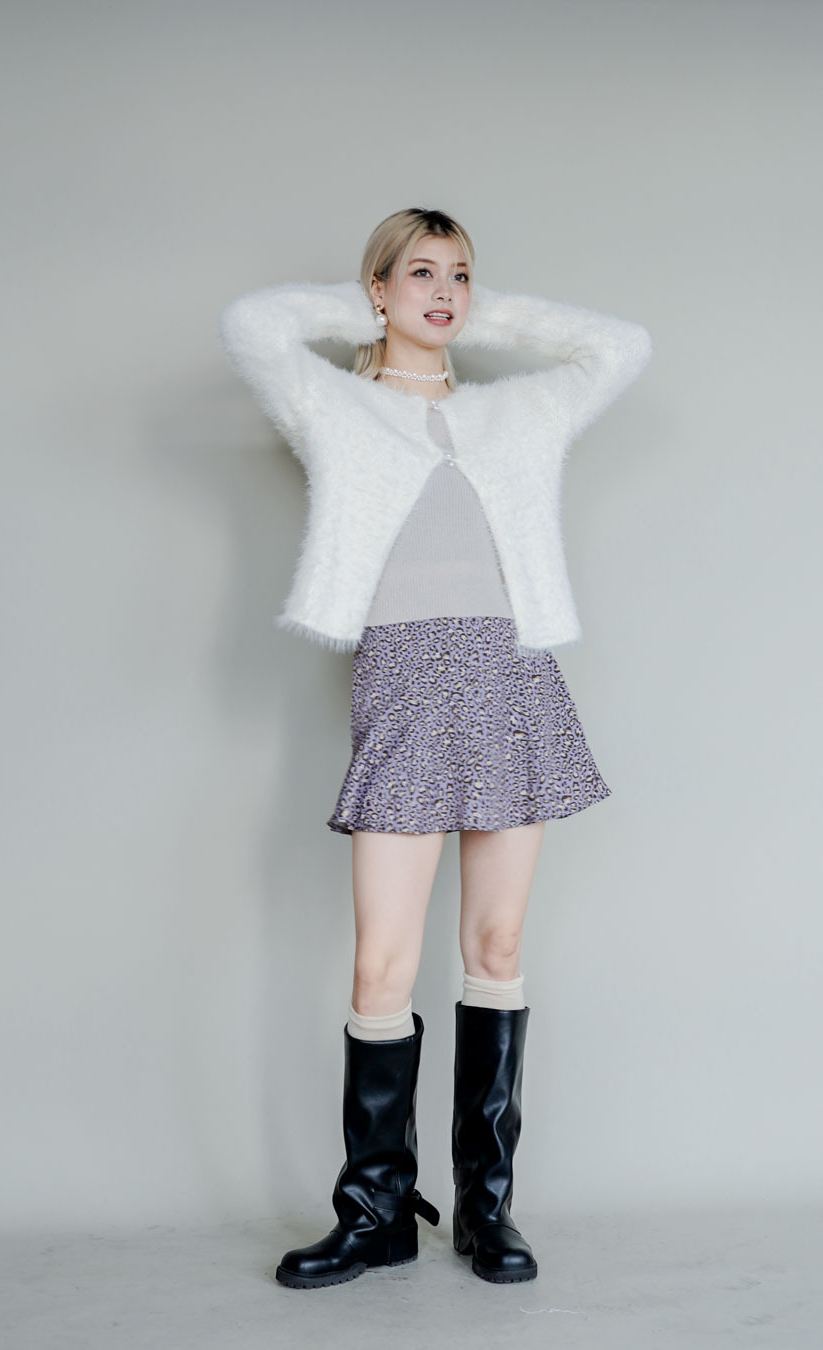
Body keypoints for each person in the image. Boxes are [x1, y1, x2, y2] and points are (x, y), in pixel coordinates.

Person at [218, 207, 652, 1290]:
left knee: (497, 948)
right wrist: (380, 310)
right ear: (377, 288)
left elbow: (620, 347)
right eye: (421, 273)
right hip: (406, 685)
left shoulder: (518, 413)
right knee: (381, 964)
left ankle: (485, 1211)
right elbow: (253, 326)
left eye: (460, 274)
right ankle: (375, 1214)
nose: (445, 291)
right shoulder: (338, 406)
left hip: (512, 680)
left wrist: (474, 314)